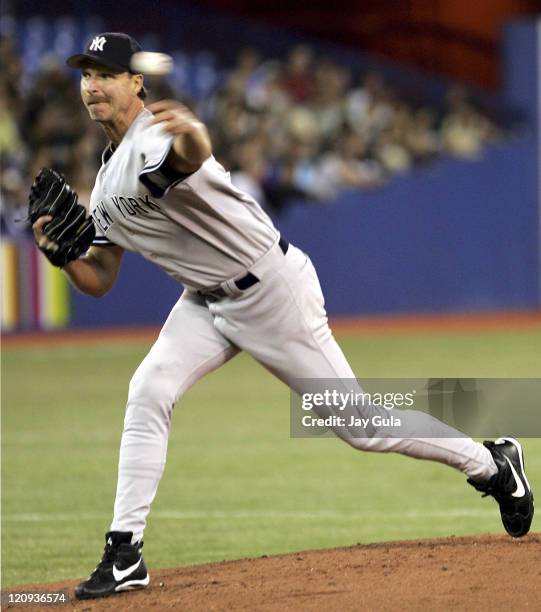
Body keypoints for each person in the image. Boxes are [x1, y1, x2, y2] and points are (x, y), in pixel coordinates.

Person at [32, 33, 534, 601]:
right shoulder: (102, 186)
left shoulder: (154, 140)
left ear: (136, 82)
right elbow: (101, 278)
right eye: (86, 74)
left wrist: (192, 130)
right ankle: (125, 552)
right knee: (148, 388)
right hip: (204, 301)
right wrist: (66, 259)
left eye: (106, 73)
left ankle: (492, 463)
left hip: (270, 290)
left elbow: (189, 155)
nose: (93, 84)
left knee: (361, 427)